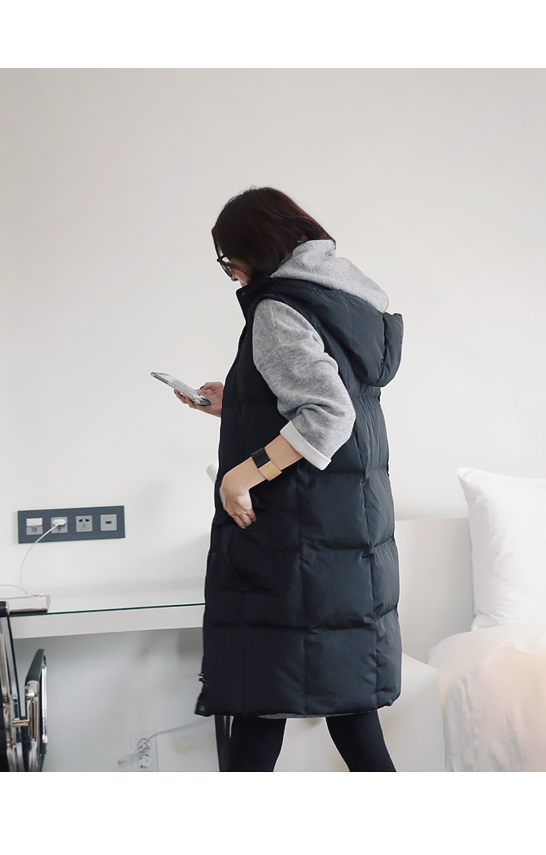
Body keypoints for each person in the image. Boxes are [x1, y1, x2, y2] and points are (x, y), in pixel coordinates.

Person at [174, 187, 404, 772]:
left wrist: (243, 475)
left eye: (228, 257)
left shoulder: (278, 307)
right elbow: (330, 401)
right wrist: (237, 402)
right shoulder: (343, 299)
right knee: (339, 706)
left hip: (296, 542)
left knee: (265, 701)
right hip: (341, 534)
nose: (231, 271)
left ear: (257, 246)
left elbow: (328, 414)